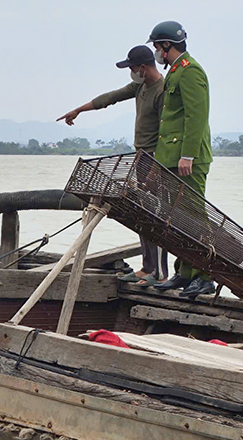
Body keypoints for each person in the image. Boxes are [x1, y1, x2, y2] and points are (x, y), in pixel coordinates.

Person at [56, 45, 167, 286]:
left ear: (143, 68)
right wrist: (79, 110)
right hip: (141, 156)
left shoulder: (162, 90)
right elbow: (110, 98)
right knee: (141, 214)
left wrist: (157, 167)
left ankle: (159, 273)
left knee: (155, 215)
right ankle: (147, 267)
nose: (131, 72)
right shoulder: (140, 87)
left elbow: (166, 132)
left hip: (155, 158)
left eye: (132, 68)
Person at [145, 20, 216, 298]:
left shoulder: (190, 71)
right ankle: (185, 273)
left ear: (167, 45)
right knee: (177, 219)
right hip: (172, 160)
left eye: (156, 46)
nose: (155, 52)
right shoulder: (175, 72)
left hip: (188, 160)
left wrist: (188, 155)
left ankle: (204, 277)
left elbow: (196, 117)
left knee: (195, 217)